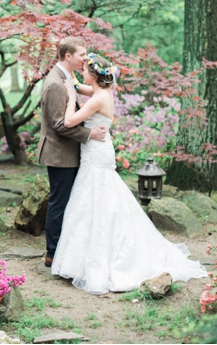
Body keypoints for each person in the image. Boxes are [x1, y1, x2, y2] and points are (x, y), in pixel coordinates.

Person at [51, 53, 207, 294]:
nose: (82, 74)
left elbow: (70, 121)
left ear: (94, 75)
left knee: (98, 200)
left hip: (96, 153)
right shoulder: (103, 91)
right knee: (95, 199)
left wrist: (71, 98)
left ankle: (103, 258)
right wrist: (70, 78)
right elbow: (82, 85)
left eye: (84, 70)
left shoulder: (97, 98)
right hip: (97, 150)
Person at [38, 37, 107, 268]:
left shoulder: (67, 77)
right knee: (59, 202)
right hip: (60, 154)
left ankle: (64, 249)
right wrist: (88, 134)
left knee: (68, 201)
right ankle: (53, 253)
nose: (85, 58)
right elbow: (59, 124)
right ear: (68, 56)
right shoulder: (56, 83)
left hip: (70, 152)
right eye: (82, 54)